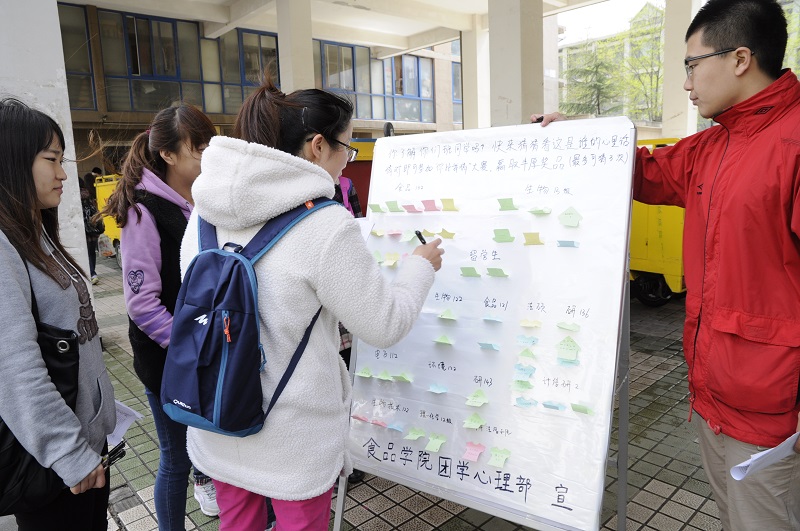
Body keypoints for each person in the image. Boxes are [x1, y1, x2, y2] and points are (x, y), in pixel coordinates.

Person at [534, 1, 800, 528]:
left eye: (692, 64)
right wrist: (581, 135)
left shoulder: (791, 143)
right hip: (713, 391)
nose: (686, 83)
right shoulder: (713, 145)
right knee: (734, 518)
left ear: (740, 58)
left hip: (774, 409)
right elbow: (642, 171)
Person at [180, 79, 444, 531]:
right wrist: (420, 267)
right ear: (318, 146)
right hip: (293, 437)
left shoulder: (203, 214)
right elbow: (384, 324)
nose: (347, 161)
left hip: (217, 415)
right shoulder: (324, 225)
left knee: (237, 524)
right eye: (348, 147)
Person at [100, 104, 221, 527]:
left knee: (209, 451)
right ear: (168, 154)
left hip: (206, 351)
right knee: (175, 459)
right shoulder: (143, 210)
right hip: (169, 360)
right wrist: (193, 349)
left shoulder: (206, 200)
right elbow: (142, 304)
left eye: (210, 144)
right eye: (198, 148)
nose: (208, 155)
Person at [0, 98, 116, 530]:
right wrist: (68, 453)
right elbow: (14, 368)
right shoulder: (4, 246)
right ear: (12, 162)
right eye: (51, 160)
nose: (63, 174)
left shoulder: (34, 232)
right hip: (56, 465)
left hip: (85, 447)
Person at [80, 173, 103, 284]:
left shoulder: (75, 196)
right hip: (93, 229)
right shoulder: (89, 193)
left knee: (85, 253)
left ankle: (91, 273)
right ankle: (93, 272)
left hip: (83, 229)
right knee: (92, 252)